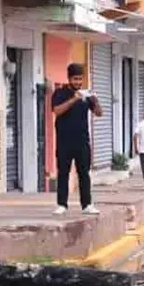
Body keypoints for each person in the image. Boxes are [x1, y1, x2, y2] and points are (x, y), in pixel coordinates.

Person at [52, 63, 103, 215]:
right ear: (69, 78)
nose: (78, 82)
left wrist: (95, 100)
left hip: (82, 141)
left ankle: (87, 204)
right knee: (63, 173)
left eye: (80, 79)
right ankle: (62, 204)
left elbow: (99, 113)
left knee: (84, 173)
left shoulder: (86, 95)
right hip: (64, 141)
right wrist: (74, 99)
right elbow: (57, 111)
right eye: (75, 79)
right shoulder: (60, 93)